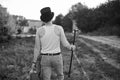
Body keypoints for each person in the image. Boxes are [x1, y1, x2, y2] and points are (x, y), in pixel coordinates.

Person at [31, 7, 76, 80]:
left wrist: (34, 62)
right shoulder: (59, 28)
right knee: (60, 76)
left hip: (45, 58)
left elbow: (37, 48)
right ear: (51, 17)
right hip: (57, 57)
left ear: (43, 19)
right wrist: (71, 47)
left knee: (46, 78)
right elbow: (65, 44)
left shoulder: (39, 31)